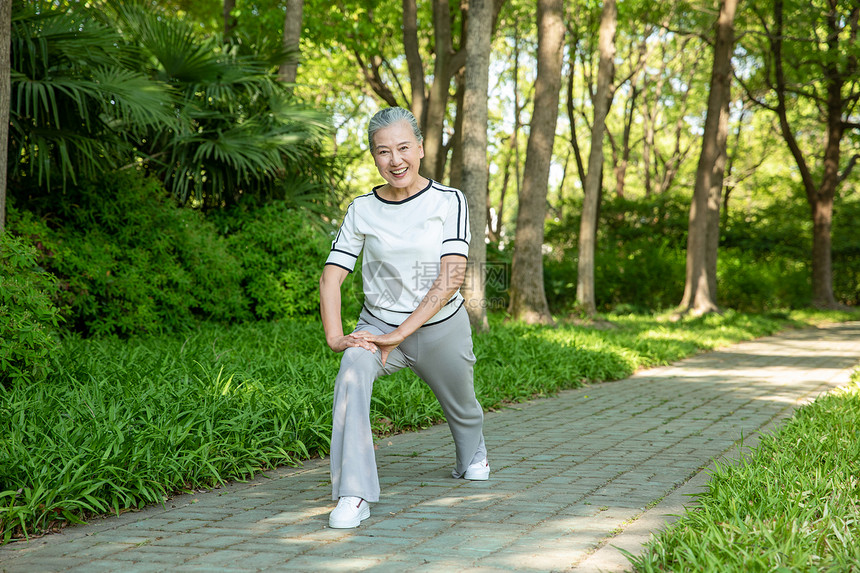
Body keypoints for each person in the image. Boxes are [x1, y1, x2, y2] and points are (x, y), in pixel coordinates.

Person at [319, 107, 489, 529]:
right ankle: (354, 494)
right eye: (383, 151)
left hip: (440, 328)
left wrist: (400, 333)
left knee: (464, 408)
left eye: (402, 148)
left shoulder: (449, 200)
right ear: (374, 157)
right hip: (375, 329)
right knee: (351, 372)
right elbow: (331, 278)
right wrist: (337, 337)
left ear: (420, 147)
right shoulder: (361, 209)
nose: (395, 160)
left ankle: (474, 452)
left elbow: (450, 277)